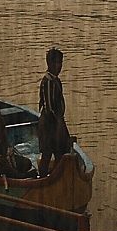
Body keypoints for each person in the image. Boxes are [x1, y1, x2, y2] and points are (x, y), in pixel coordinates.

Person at [37, 47, 72, 178]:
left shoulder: (56, 81)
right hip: (48, 123)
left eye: (61, 63)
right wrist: (57, 125)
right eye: (57, 63)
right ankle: (43, 178)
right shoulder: (48, 81)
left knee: (60, 151)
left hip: (57, 122)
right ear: (49, 64)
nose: (59, 66)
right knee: (47, 153)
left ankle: (57, 176)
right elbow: (48, 107)